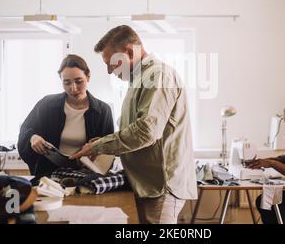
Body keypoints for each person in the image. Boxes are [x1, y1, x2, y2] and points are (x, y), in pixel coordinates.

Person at [70, 25, 197, 224]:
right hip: (147, 184)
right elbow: (137, 131)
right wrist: (104, 142)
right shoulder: (140, 80)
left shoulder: (157, 75)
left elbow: (146, 132)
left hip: (160, 187)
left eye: (111, 63)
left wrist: (98, 146)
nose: (110, 71)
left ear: (129, 52)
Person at [18, 54, 114, 178]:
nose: (73, 88)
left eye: (79, 81)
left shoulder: (103, 111)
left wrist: (94, 151)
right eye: (67, 82)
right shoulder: (47, 104)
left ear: (88, 76)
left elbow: (109, 151)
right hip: (48, 176)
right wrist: (33, 138)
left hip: (85, 176)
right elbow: (24, 133)